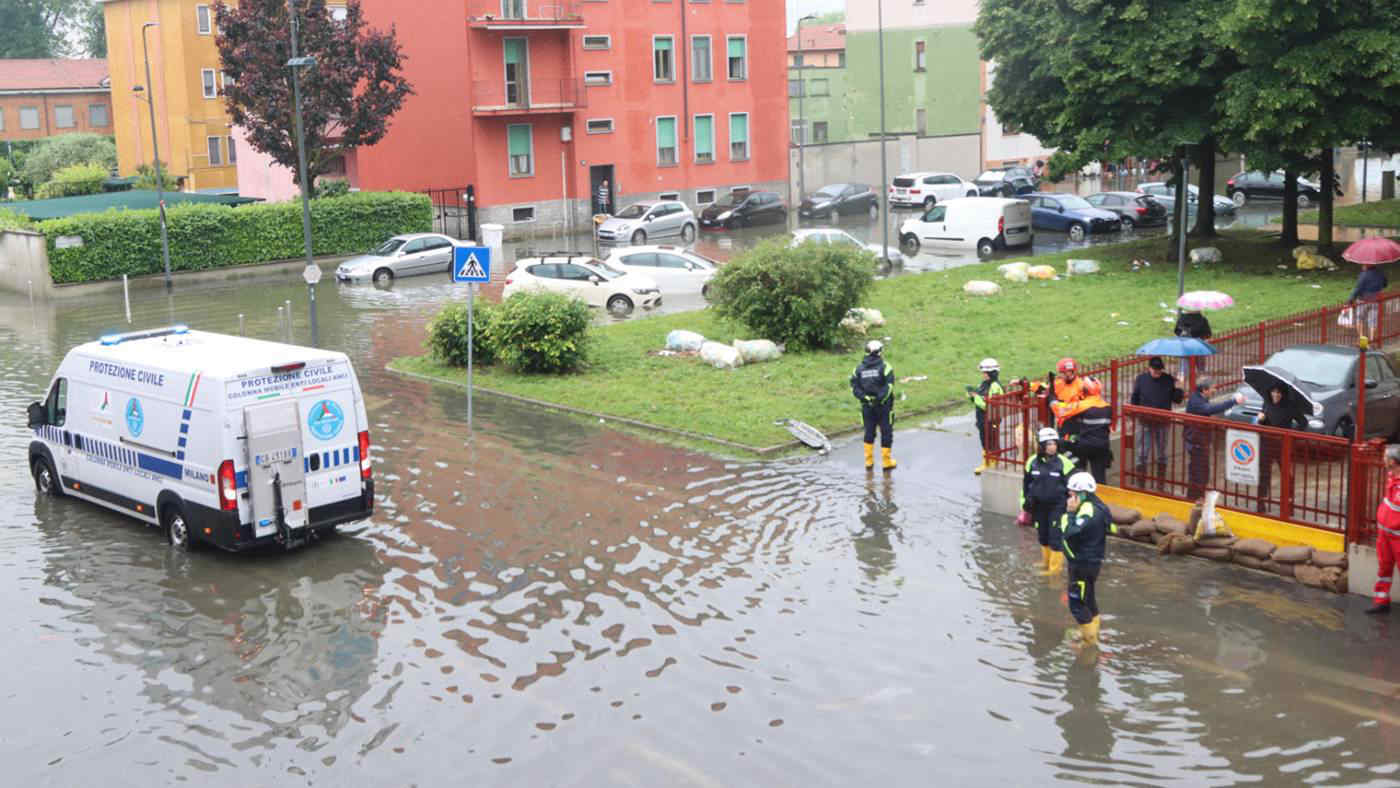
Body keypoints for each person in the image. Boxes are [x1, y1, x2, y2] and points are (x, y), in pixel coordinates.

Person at [1059, 472, 1114, 647]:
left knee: (1077, 603)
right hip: (1091, 562)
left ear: (1082, 493)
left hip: (1082, 564)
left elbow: (1070, 532)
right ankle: (1091, 633)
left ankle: (1089, 642)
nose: (1069, 497)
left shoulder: (1087, 510)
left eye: (1072, 493)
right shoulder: (1100, 506)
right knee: (1088, 599)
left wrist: (1070, 513)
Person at [1022, 427, 1074, 576]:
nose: (1053, 447)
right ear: (1042, 446)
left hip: (1058, 506)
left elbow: (1072, 487)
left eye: (1054, 444)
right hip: (1039, 506)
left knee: (1055, 536)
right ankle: (1045, 562)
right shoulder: (1031, 462)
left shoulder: (1064, 463)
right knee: (1043, 535)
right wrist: (1025, 503)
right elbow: (1026, 484)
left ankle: (1054, 570)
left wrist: (1070, 507)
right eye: (1049, 444)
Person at [1184, 377, 1246, 501]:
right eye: (1213, 388)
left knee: (1203, 470)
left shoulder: (1200, 397)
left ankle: (1198, 496)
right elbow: (1209, 409)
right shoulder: (1196, 401)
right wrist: (1233, 401)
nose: (1215, 390)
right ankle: (1194, 498)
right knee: (1198, 471)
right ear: (1205, 390)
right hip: (1196, 441)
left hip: (1200, 440)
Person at [1255, 383, 1308, 513]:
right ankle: (1261, 502)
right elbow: (1264, 423)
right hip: (1267, 443)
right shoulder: (1266, 403)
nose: (1276, 395)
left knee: (1287, 475)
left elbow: (1303, 422)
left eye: (1279, 392)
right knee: (1264, 474)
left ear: (1283, 394)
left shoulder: (1290, 406)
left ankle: (1288, 504)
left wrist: (1293, 436)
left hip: (1283, 445)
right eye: (1273, 392)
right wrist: (1261, 420)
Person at [1130, 357, 1183, 484]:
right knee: (1142, 453)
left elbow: (1177, 399)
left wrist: (1179, 387)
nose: (1157, 373)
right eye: (1155, 370)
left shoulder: (1168, 379)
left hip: (1163, 422)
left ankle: (1160, 482)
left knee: (1162, 454)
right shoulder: (1141, 379)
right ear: (1149, 368)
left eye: (1159, 371)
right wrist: (1134, 414)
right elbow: (1135, 397)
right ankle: (1140, 482)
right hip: (1145, 421)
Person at [851, 340, 896, 471]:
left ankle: (869, 461)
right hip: (884, 406)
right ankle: (886, 462)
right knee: (886, 431)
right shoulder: (886, 367)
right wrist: (879, 400)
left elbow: (854, 388)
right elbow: (889, 387)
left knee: (869, 432)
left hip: (867, 406)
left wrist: (866, 398)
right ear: (880, 352)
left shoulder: (858, 369)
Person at [1057, 380, 1114, 484]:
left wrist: (1053, 401)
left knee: (1079, 472)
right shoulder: (1107, 407)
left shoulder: (1082, 406)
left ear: (1085, 390)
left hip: (1085, 446)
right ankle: (1100, 498)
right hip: (1102, 446)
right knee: (1100, 479)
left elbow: (1061, 412)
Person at [1369, 444, 1400, 614]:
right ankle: (1381, 601)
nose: (1383, 460)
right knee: (1384, 568)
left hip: (1398, 537)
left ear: (1393, 462)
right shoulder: (1391, 477)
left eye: (1386, 457)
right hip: (1385, 534)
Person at [969, 358, 1004, 475]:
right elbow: (981, 397)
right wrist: (972, 395)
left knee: (992, 441)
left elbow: (990, 406)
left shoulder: (995, 386)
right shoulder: (984, 384)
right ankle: (986, 462)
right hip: (982, 419)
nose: (983, 375)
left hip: (991, 418)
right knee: (984, 440)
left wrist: (975, 398)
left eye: (985, 373)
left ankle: (993, 464)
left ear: (991, 373)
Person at [1348, 263, 1388, 340]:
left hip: (1363, 300)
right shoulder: (1380, 273)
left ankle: (1361, 337)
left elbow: (1358, 288)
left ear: (1367, 266)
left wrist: (1351, 299)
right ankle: (1372, 339)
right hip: (1375, 300)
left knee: (1359, 318)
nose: (1362, 266)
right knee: (1373, 320)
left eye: (1363, 265)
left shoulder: (1364, 275)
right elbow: (1385, 284)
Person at [1174, 309, 1213, 380]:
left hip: (1185, 344)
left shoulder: (1182, 319)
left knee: (1184, 361)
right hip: (1199, 345)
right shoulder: (1202, 320)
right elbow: (1208, 334)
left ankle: (1183, 375)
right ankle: (1201, 375)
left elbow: (1176, 331)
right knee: (1200, 363)